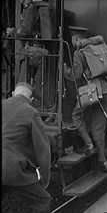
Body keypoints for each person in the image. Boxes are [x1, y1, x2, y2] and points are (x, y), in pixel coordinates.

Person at [64, 26, 107, 172]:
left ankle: (89, 145)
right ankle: (103, 161)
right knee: (98, 128)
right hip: (105, 91)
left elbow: (76, 75)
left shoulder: (79, 53)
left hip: (91, 92)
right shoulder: (100, 48)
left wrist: (65, 71)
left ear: (75, 38)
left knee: (75, 115)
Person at [2, 82, 51, 213]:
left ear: (13, 93)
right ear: (31, 99)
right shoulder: (31, 112)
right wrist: (45, 178)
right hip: (11, 168)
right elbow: (43, 150)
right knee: (43, 201)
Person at [6, 0, 53, 110]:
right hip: (34, 50)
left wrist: (14, 32)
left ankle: (20, 111)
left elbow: (26, 31)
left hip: (30, 51)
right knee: (31, 85)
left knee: (22, 84)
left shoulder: (30, 8)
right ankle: (50, 105)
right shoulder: (30, 8)